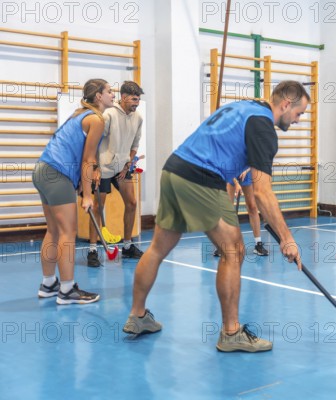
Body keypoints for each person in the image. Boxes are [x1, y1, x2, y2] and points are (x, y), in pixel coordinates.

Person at [123, 81, 310, 352]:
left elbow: (222, 144)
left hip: (174, 170)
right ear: (285, 105)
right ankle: (231, 332)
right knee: (233, 251)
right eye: (299, 113)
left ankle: (137, 316)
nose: (298, 120)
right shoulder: (263, 127)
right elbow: (262, 193)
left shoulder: (244, 108)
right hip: (200, 177)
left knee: (158, 248)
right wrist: (287, 239)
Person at [33, 79, 114, 304]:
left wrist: (79, 183)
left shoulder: (79, 113)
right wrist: (87, 195)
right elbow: (87, 160)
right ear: (98, 96)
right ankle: (67, 291)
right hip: (57, 173)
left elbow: (79, 155)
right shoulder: (96, 119)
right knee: (68, 232)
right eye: (109, 91)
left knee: (54, 231)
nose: (113, 95)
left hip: (43, 170)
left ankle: (48, 284)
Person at [87, 81, 145, 267]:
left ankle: (127, 246)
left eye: (138, 99)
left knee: (132, 202)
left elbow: (135, 145)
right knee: (98, 207)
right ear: (124, 97)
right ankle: (93, 250)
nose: (136, 103)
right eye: (134, 99)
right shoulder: (109, 114)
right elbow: (95, 140)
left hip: (122, 168)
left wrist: (127, 164)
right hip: (103, 167)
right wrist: (94, 167)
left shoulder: (138, 118)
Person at [213, 168, 269, 258]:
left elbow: (252, 159)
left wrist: (245, 170)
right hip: (231, 173)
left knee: (252, 207)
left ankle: (258, 244)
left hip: (247, 174)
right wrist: (236, 183)